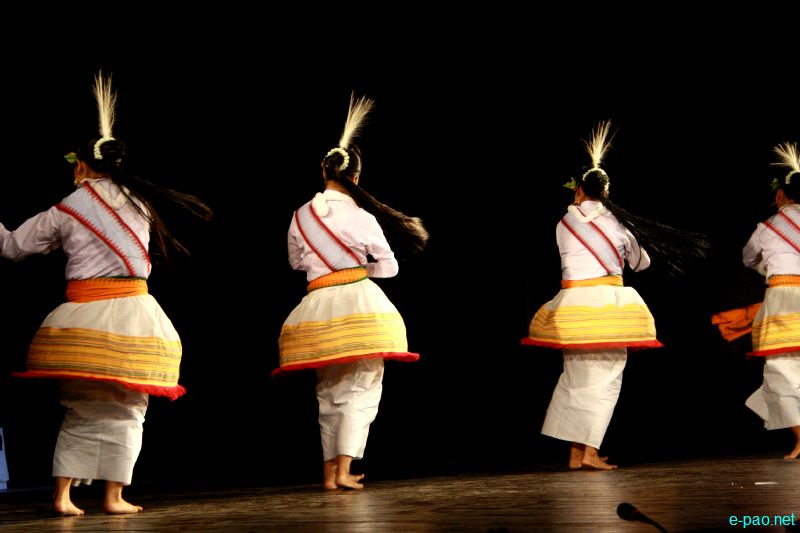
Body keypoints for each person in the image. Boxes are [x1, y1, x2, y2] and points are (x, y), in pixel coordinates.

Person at [0, 72, 212, 515]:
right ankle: (114, 496)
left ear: (80, 165)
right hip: (135, 314)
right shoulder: (141, 203)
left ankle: (63, 496)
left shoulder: (68, 207)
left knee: (80, 406)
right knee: (130, 406)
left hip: (86, 316)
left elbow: (13, 247)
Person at [521, 120, 708, 470]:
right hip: (606, 307)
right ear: (607, 191)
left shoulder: (562, 223)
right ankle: (589, 452)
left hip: (572, 308)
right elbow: (641, 263)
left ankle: (576, 453)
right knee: (605, 379)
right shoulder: (619, 224)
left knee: (576, 377)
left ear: (578, 190)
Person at [274, 92, 428, 490]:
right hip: (358, 304)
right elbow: (389, 267)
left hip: (317, 306)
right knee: (361, 386)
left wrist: (325, 266)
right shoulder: (361, 216)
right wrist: (359, 269)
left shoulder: (299, 216)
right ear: (356, 178)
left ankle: (331, 472)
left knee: (328, 389)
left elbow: (296, 263)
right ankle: (342, 470)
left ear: (322, 171)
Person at [740, 142, 800, 460]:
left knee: (779, 370)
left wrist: (768, 265)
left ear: (779, 195)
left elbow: (748, 258)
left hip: (782, 300)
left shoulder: (767, 228)